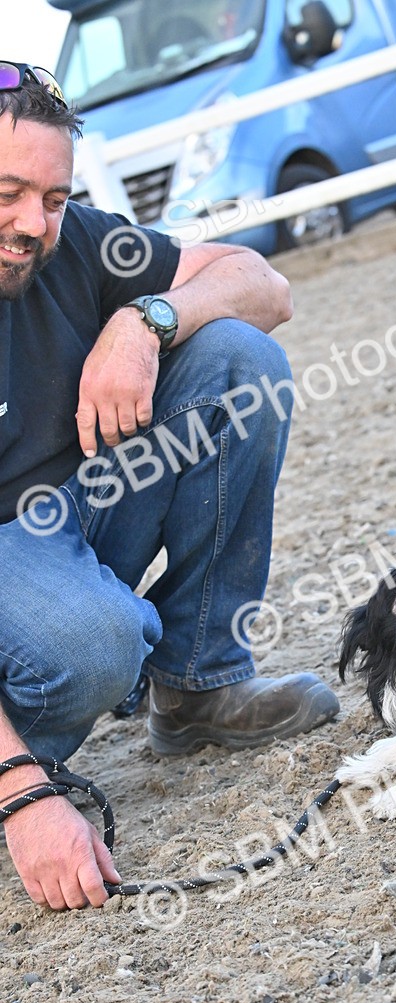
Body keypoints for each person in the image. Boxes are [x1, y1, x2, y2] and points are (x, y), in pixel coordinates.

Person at [0, 63, 339, 912]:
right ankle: (22, 769)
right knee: (95, 642)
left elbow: (266, 286)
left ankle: (197, 686)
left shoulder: (73, 239)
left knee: (239, 363)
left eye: (52, 196)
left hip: (75, 521)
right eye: (7, 192)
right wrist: (20, 792)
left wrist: (145, 320)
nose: (32, 223)